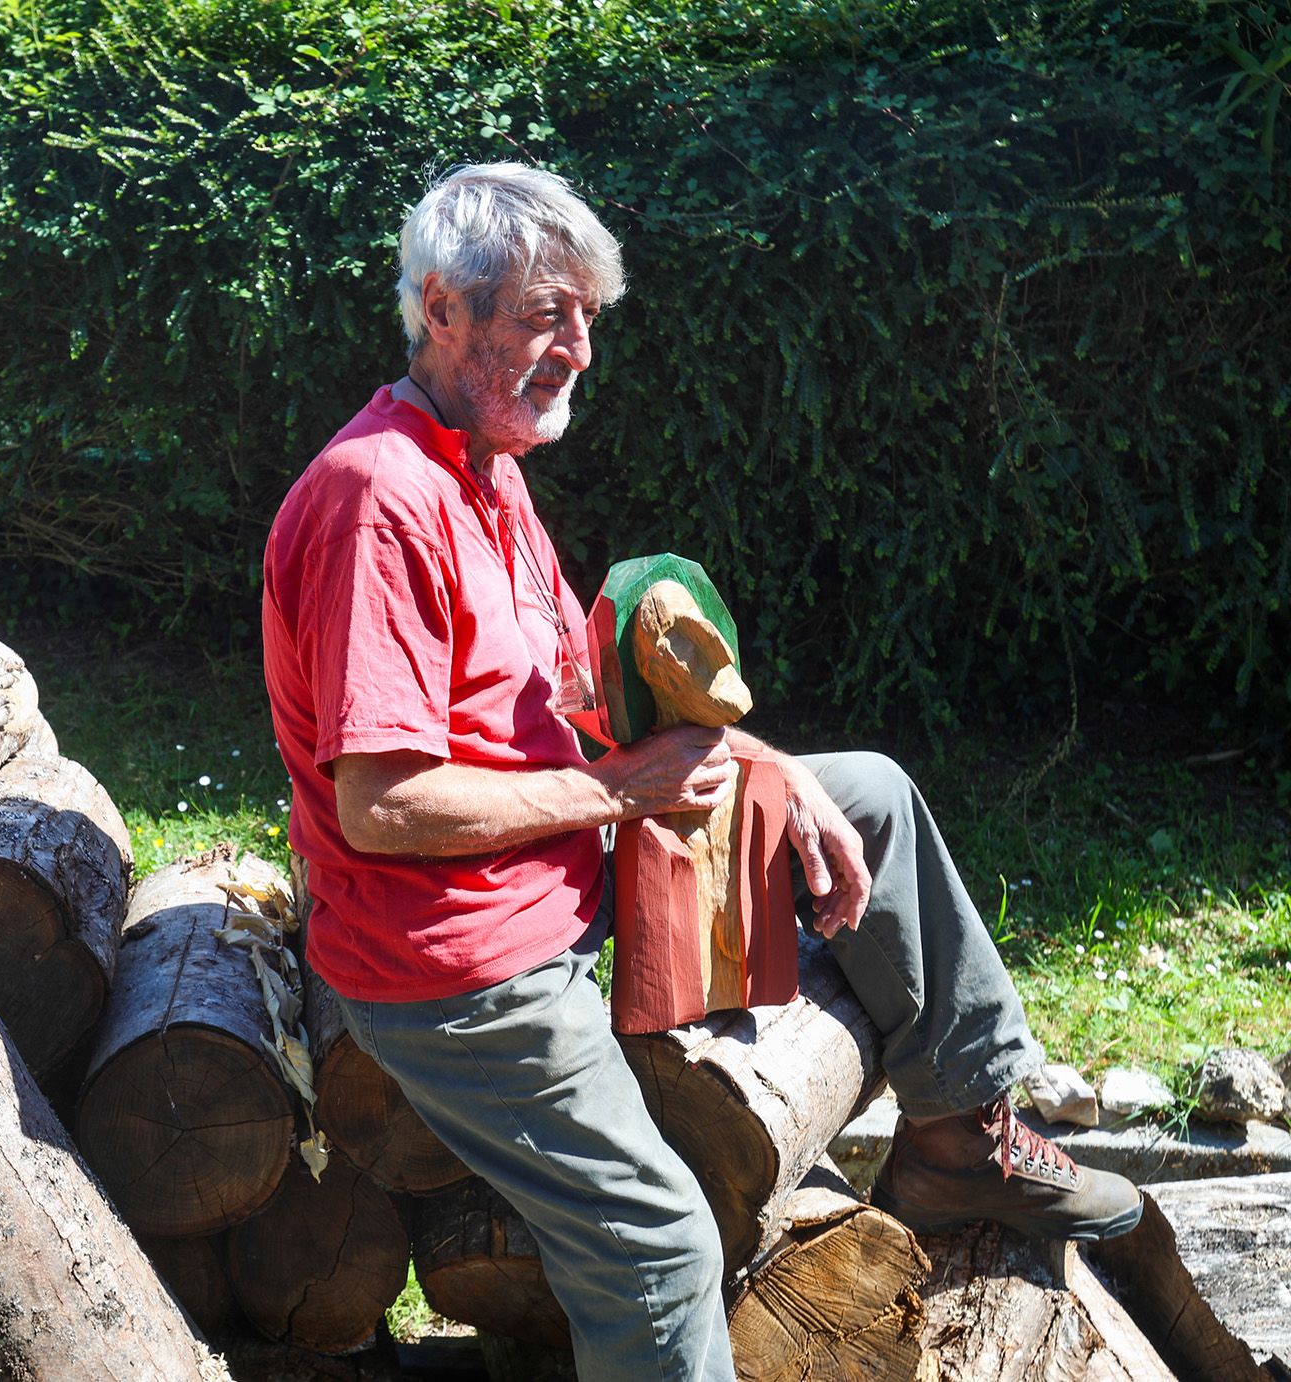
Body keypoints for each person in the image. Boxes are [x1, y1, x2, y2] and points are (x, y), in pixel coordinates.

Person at [259, 162, 1141, 1381]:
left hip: (559, 877)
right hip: (456, 962)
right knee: (656, 1246)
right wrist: (629, 794)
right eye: (540, 314)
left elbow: (579, 701)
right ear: (438, 307)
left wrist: (754, 760)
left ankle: (953, 1134)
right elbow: (385, 804)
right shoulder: (377, 498)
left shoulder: (485, 473)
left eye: (586, 319)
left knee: (866, 793)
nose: (574, 349)